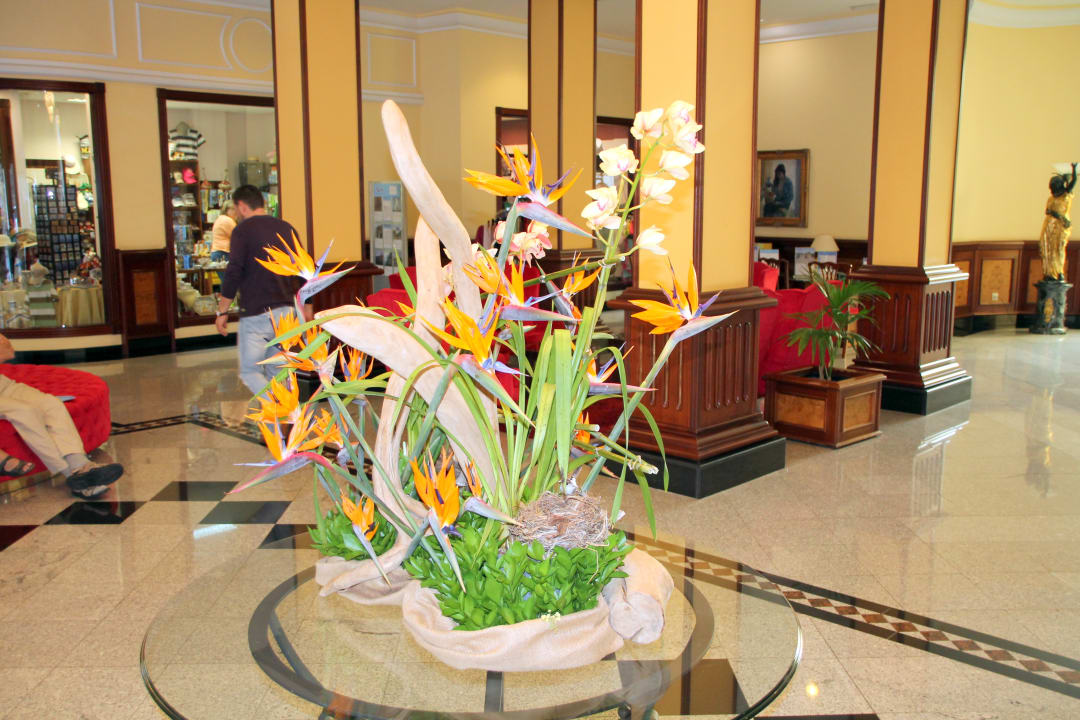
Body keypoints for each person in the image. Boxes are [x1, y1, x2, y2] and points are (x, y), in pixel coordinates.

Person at [0, 333, 124, 498]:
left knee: (51, 404)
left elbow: (7, 352)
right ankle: (72, 474)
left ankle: (80, 464)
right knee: (24, 411)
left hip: (4, 384)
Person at [217, 185, 310, 397]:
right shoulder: (286, 228)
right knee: (278, 373)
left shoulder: (242, 231)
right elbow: (305, 268)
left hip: (256, 313)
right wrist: (308, 306)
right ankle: (283, 416)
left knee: (250, 373)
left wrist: (222, 311)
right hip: (286, 312)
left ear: (242, 206)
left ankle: (278, 407)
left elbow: (234, 271)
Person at [1039, 162, 1077, 281]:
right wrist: (1053, 214)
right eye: (1052, 185)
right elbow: (1047, 211)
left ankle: (1059, 272)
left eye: (1055, 185)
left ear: (1060, 185)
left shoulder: (1066, 196)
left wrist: (1074, 170)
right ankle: (1049, 273)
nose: (1052, 187)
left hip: (1061, 226)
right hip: (1049, 226)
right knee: (1046, 249)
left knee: (1059, 248)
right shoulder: (1051, 198)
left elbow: (1073, 183)